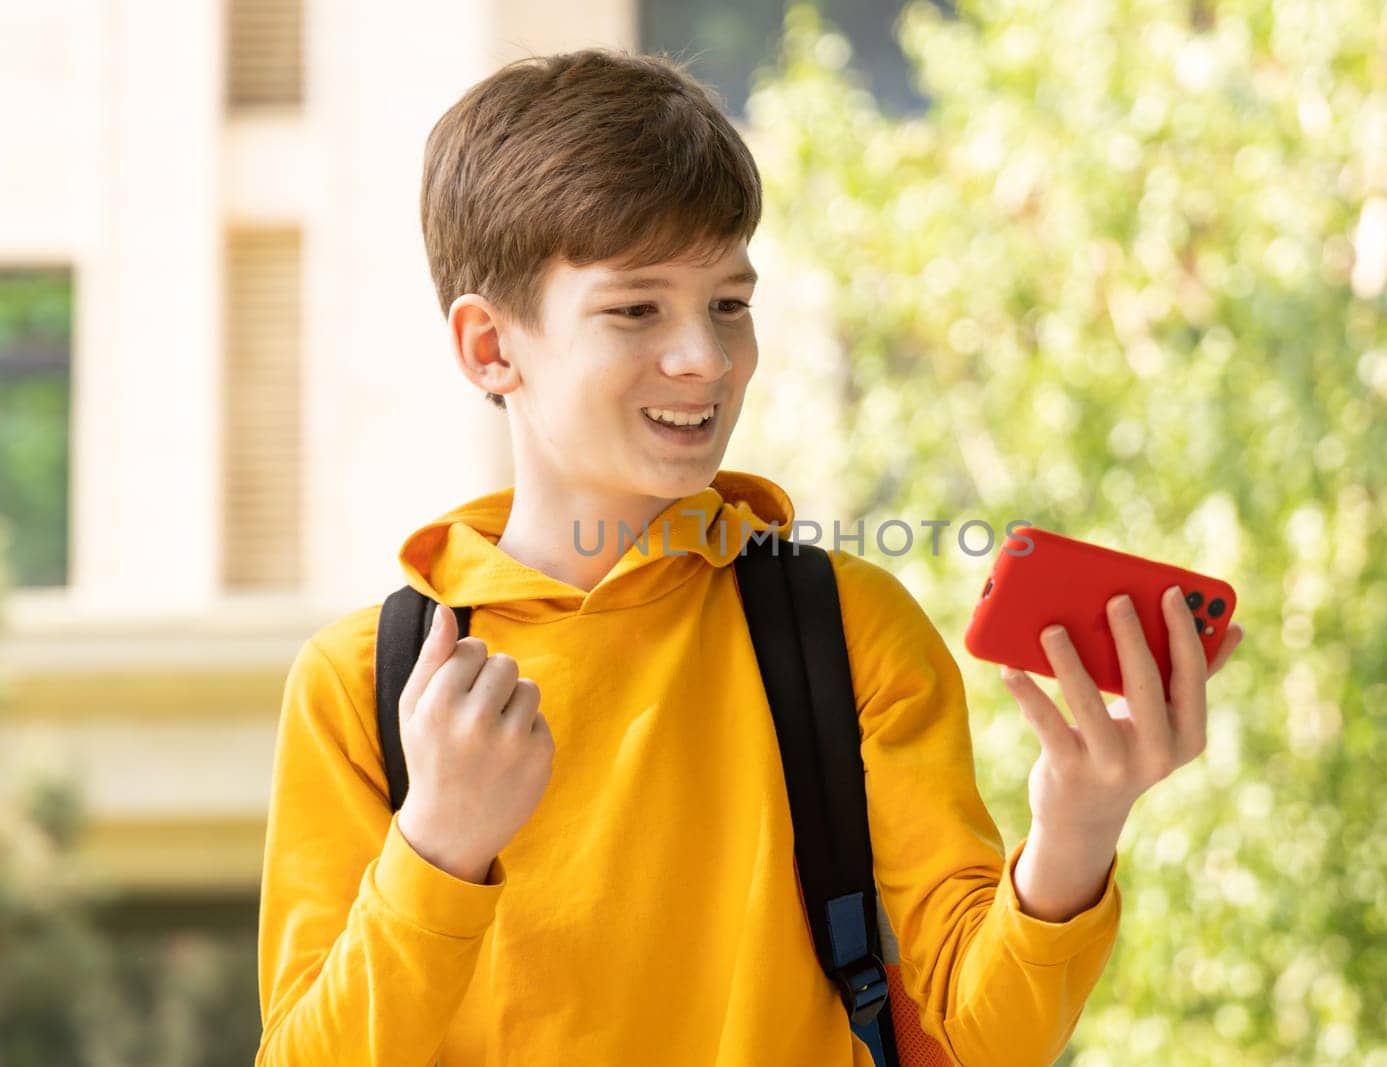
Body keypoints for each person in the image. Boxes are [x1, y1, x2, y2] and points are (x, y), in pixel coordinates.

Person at [254, 47, 1244, 1067]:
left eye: (728, 302)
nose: (707, 358)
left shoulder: (846, 629)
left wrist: (1078, 826)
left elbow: (982, 1035)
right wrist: (439, 847)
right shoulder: (363, 686)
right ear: (490, 348)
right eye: (637, 308)